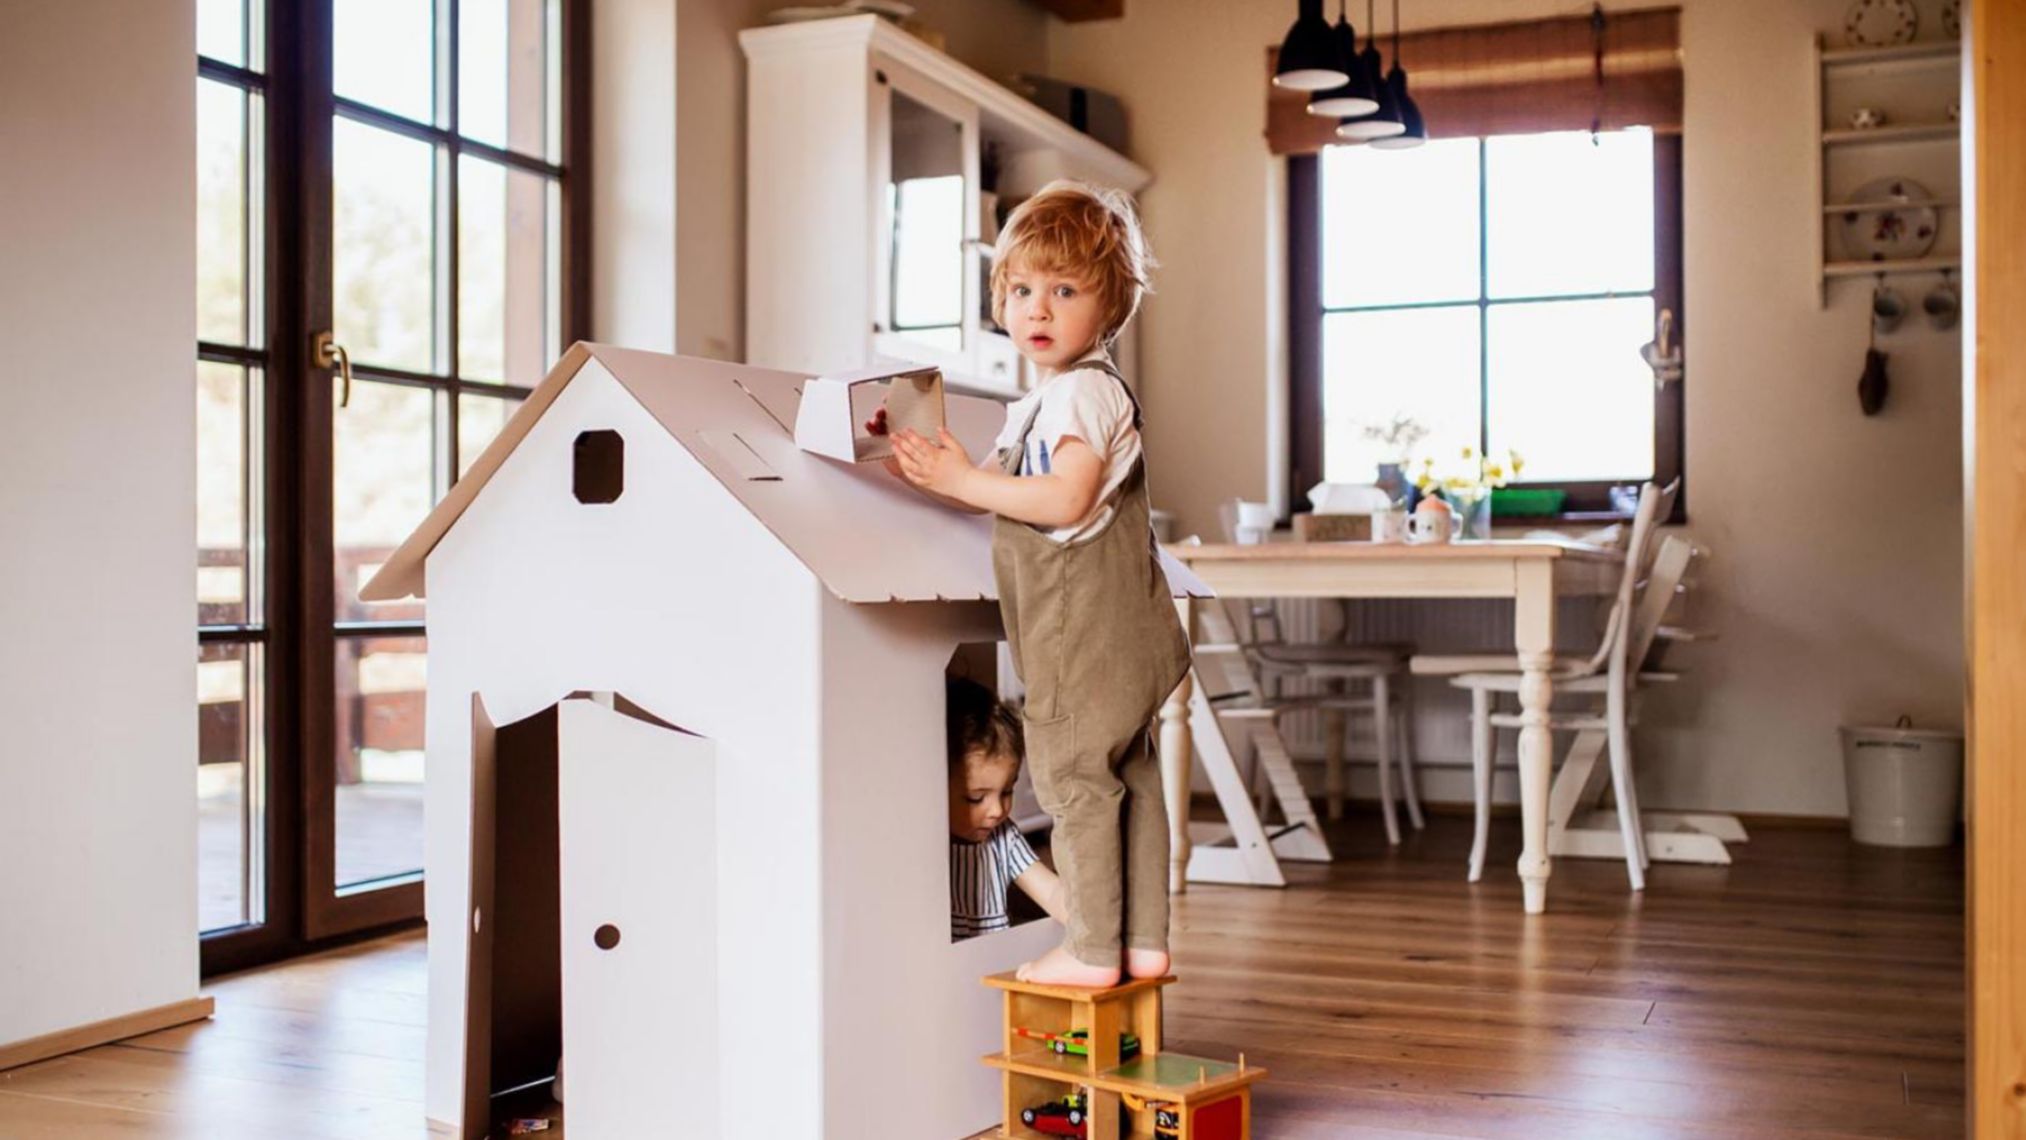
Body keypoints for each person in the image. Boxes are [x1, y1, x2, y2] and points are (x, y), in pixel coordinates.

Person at [877, 181, 1190, 987]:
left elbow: (1066, 497)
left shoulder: (1082, 390)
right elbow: (992, 486)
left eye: (1063, 290)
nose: (1036, 309)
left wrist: (962, 483)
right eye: (1020, 290)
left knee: (1076, 784)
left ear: (1110, 305)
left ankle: (1092, 950)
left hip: (1083, 636)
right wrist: (939, 472)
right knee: (1135, 778)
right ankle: (1144, 941)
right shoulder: (1045, 401)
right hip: (1134, 636)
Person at [947, 677, 1065, 941]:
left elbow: (1051, 893)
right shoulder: (929, 844)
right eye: (976, 798)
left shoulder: (1003, 837)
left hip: (993, 967)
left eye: (1008, 791)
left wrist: (1096, 928)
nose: (997, 810)